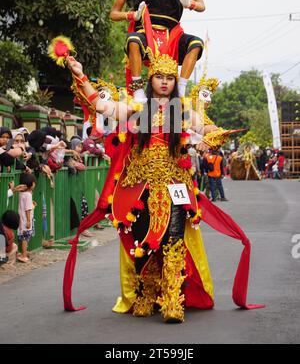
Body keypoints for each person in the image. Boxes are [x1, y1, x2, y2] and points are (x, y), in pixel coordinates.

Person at [61, 52, 264, 322]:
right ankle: (146, 294)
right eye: (160, 77)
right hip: (140, 187)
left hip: (174, 185)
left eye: (170, 77)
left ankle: (172, 301)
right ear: (151, 79)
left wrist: (212, 138)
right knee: (143, 242)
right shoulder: (136, 108)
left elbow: (207, 127)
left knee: (173, 241)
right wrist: (80, 73)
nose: (165, 82)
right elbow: (102, 106)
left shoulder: (183, 110)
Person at [17, 173, 37, 263]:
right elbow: (28, 209)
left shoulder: (21, 193)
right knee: (25, 238)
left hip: (21, 219)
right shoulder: (28, 195)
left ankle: (23, 253)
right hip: (26, 219)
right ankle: (24, 255)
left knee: (23, 237)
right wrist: (29, 221)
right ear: (32, 184)